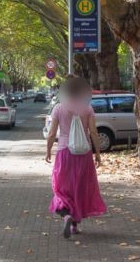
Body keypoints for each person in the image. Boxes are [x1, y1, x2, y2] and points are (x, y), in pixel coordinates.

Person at [44, 76, 106, 238]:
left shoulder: (58, 108)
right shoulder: (87, 108)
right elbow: (93, 132)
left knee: (60, 188)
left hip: (64, 153)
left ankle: (66, 216)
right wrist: (98, 154)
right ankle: (74, 226)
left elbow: (51, 133)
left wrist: (48, 151)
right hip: (84, 154)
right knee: (79, 188)